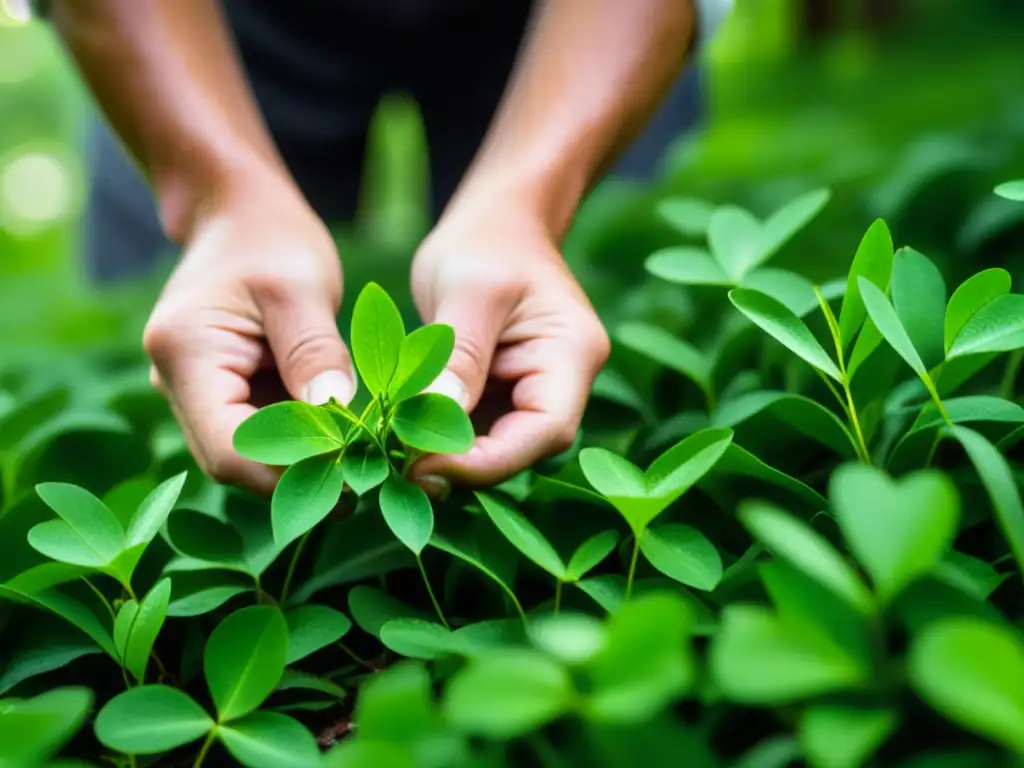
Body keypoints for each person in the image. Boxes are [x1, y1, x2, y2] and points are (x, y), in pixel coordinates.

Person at [40, 0, 733, 499]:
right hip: (222, 24)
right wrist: (217, 196)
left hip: (553, 24)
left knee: (595, 290)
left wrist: (529, 204)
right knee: (201, 338)